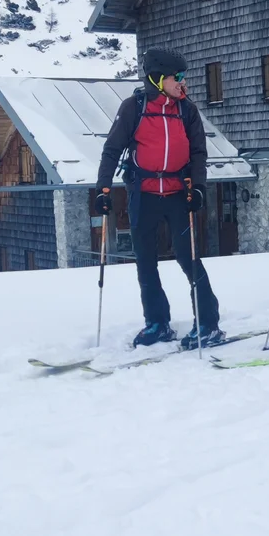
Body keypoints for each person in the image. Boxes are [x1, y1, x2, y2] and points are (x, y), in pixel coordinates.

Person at [95, 48, 222, 350]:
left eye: (183, 77)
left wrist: (199, 187)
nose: (182, 82)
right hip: (143, 194)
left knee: (188, 258)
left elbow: (198, 153)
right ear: (157, 78)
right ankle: (157, 323)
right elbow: (112, 150)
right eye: (176, 77)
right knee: (145, 261)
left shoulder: (186, 110)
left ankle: (208, 323)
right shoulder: (133, 108)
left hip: (178, 193)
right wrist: (103, 190)